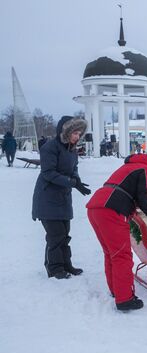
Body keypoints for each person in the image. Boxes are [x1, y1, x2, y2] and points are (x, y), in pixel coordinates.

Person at [86, 146, 147, 311]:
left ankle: (116, 290)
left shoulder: (129, 166)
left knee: (111, 252)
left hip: (96, 207)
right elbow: (146, 197)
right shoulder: (145, 169)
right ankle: (125, 299)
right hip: (112, 210)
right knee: (122, 255)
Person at [31, 116, 90, 279]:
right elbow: (48, 173)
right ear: (66, 132)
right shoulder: (50, 147)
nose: (77, 137)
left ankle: (66, 264)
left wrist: (76, 181)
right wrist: (70, 182)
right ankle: (55, 268)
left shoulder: (72, 149)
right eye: (75, 133)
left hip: (63, 197)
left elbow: (74, 168)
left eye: (80, 134)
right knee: (56, 235)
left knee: (65, 234)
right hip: (47, 197)